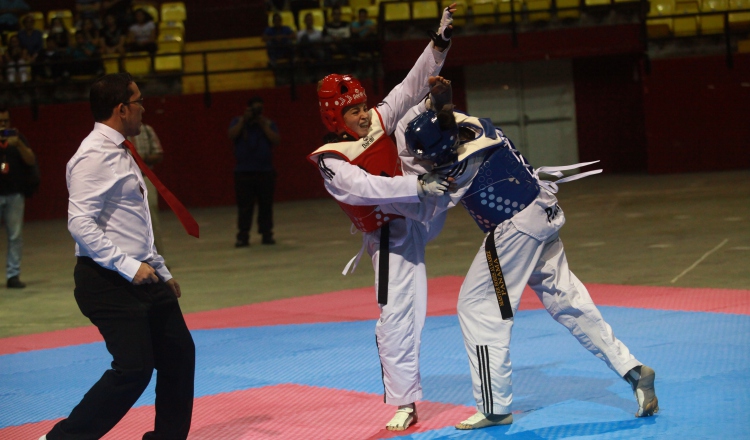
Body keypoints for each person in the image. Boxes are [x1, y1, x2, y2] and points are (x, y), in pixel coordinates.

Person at [384, 81, 659, 430]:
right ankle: (632, 370)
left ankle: (494, 406)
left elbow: (427, 201)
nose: (424, 161)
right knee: (567, 300)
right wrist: (440, 103)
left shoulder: (457, 168)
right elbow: (445, 120)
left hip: (515, 231)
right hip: (542, 214)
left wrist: (406, 187)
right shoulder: (476, 126)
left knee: (478, 307)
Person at [306, 5, 455, 431]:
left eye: (363, 106)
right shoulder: (329, 160)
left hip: (424, 205)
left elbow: (409, 84)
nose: (363, 115)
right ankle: (405, 401)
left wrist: (439, 44)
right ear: (334, 116)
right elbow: (366, 189)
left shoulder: (372, 122)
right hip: (392, 235)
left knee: (412, 113)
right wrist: (417, 187)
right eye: (351, 111)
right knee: (396, 317)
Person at [42, 72, 195, 440]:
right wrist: (128, 266)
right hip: (107, 280)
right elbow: (80, 224)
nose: (144, 108)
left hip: (144, 273)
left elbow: (133, 225)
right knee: (134, 369)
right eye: (139, 101)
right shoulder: (93, 156)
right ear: (122, 109)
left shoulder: (123, 150)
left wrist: (159, 267)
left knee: (179, 354)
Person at [228, 96, 279, 247]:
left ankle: (267, 234)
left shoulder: (268, 123)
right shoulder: (238, 122)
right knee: (244, 207)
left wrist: (263, 124)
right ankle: (243, 236)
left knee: (266, 205)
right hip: (243, 172)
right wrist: (244, 120)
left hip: (265, 171)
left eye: (259, 109)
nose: (257, 112)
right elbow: (232, 135)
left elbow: (276, 140)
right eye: (254, 109)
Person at [0, 104, 35, 289]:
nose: (3, 125)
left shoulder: (17, 138)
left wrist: (19, 144)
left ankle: (13, 275)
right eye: (0, 122)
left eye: (6, 121)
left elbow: (31, 159)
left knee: (15, 236)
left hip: (14, 194)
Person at [128, 122, 165, 255]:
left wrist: (141, 158)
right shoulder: (115, 134)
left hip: (144, 177)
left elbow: (159, 154)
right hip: (123, 180)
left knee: (152, 220)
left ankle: (158, 258)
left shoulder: (146, 130)